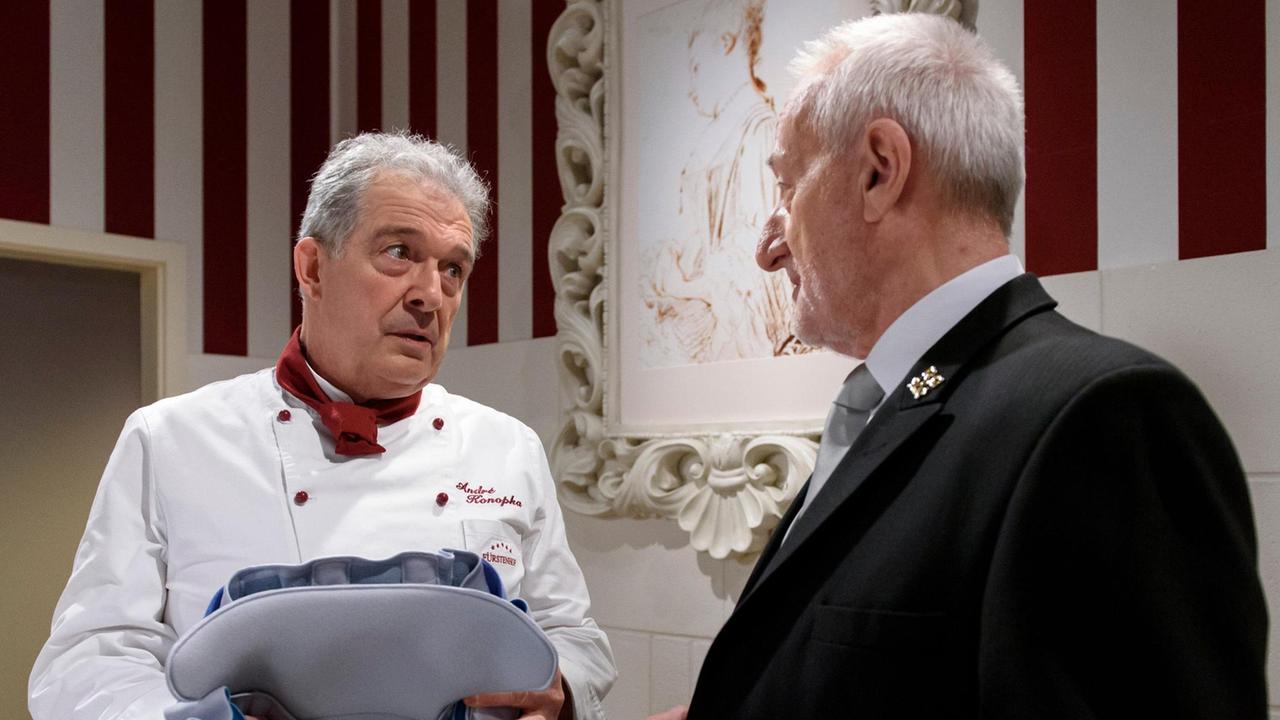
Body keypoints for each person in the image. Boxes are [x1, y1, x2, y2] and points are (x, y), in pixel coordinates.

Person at [653, 12, 1268, 719]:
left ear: (880, 171)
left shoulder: (1106, 417)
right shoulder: (886, 404)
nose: (769, 246)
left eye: (788, 187)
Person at [29, 132, 616, 720]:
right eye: (398, 252)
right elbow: (90, 658)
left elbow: (572, 632)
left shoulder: (508, 446)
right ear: (312, 267)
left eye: (453, 269)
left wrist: (559, 689)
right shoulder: (170, 439)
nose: (430, 295)